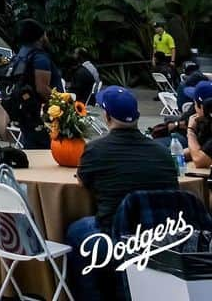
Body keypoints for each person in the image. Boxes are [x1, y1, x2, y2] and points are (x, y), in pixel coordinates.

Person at [66, 86, 178, 301]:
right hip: (162, 234)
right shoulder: (163, 152)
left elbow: (83, 182)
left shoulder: (96, 150)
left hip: (116, 235)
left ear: (107, 116)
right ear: (136, 116)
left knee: (75, 230)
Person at [6, 19, 62, 150]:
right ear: (40, 37)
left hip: (26, 112)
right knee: (46, 150)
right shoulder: (40, 58)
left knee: (32, 148)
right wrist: (63, 104)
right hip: (43, 115)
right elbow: (42, 88)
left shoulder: (21, 55)